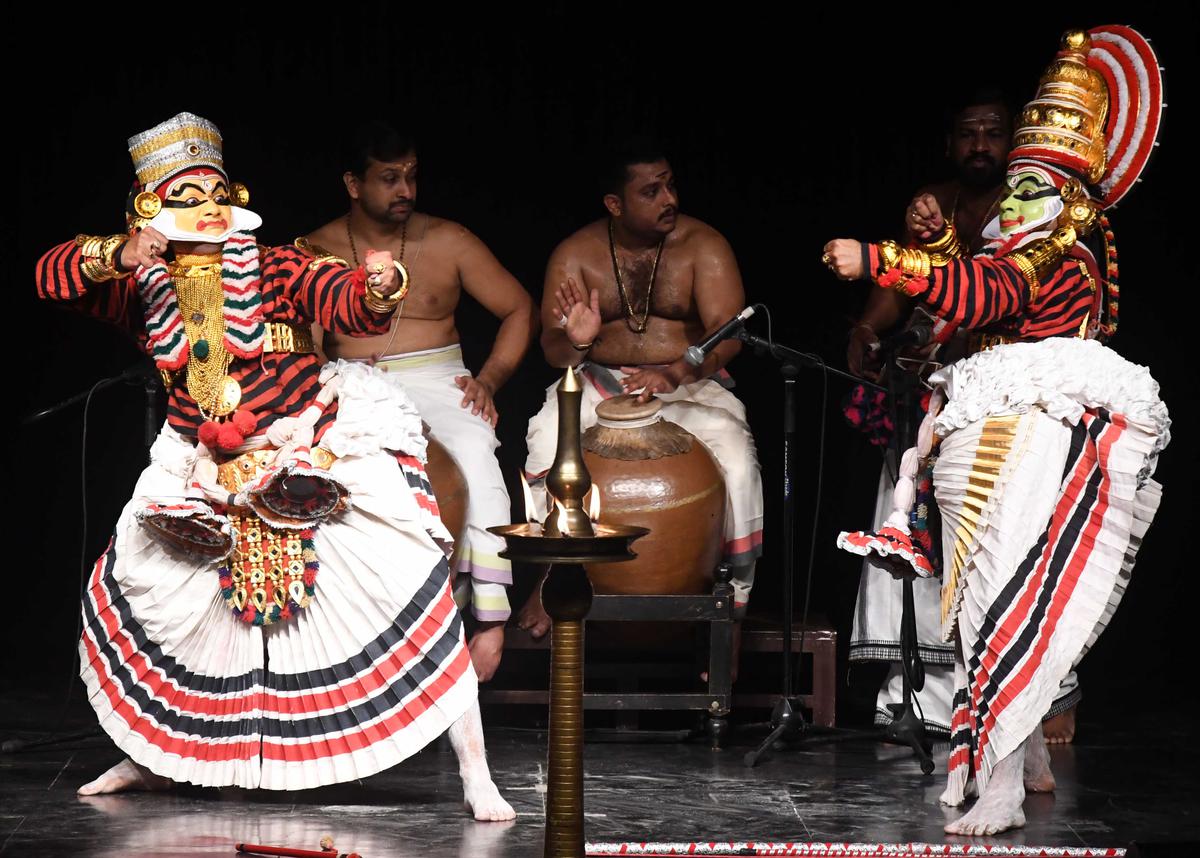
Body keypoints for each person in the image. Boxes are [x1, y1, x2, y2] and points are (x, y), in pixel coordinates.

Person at [35, 112, 514, 820]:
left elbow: (348, 301)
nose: (205, 204)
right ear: (152, 208)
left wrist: (379, 285)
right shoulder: (143, 286)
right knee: (159, 603)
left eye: (214, 190)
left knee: (410, 586)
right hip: (202, 464)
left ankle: (475, 772)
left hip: (309, 448)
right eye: (186, 194)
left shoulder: (276, 263)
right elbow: (51, 277)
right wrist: (116, 252)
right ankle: (154, 758)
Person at [824, 27, 1168, 835]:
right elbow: (964, 292)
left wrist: (881, 259)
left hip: (1029, 426)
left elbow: (985, 295)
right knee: (978, 589)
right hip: (992, 415)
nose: (1010, 201)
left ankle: (1005, 776)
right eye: (1012, 186)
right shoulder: (1028, 236)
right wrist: (936, 246)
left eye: (1027, 188)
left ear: (1069, 198)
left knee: (997, 598)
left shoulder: (1059, 249)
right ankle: (1028, 759)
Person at [846, 90, 1081, 742]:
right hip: (938, 395)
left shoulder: (1042, 217)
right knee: (914, 530)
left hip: (1011, 401)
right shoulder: (936, 202)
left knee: (1005, 548)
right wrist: (867, 325)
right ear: (951, 145)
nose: (981, 145)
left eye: (993, 133)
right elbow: (908, 288)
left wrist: (894, 256)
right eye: (968, 134)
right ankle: (918, 695)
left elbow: (984, 293)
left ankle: (1030, 701)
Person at [302, 122, 536, 682]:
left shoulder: (450, 240)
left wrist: (491, 378)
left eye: (411, 175)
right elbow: (306, 342)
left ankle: (489, 619)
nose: (405, 188)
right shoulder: (315, 249)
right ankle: (329, 631)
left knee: (478, 455)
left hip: (438, 379)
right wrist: (320, 387)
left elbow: (519, 308)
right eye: (389, 178)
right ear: (353, 184)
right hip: (351, 383)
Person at [518, 142, 763, 649]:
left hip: (689, 381)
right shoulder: (576, 254)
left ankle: (733, 612)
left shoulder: (703, 245)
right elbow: (551, 349)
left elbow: (730, 333)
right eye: (651, 192)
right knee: (544, 439)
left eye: (670, 184)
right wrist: (579, 341)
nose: (668, 198)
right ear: (615, 204)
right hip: (599, 380)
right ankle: (551, 575)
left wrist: (676, 370)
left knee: (738, 460)